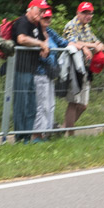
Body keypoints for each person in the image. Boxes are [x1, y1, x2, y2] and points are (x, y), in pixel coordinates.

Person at [61, 1, 104, 134]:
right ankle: (70, 133)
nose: (87, 15)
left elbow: (96, 41)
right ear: (77, 13)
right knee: (73, 101)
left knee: (83, 105)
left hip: (85, 68)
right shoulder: (71, 25)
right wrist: (87, 46)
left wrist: (99, 45)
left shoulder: (87, 27)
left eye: (90, 13)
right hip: (73, 67)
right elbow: (72, 42)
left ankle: (63, 128)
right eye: (84, 12)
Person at [11, 0, 50, 142]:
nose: (42, 13)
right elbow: (21, 39)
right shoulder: (22, 22)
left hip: (32, 68)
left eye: (44, 11)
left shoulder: (37, 25)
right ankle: (20, 137)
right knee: (21, 103)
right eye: (40, 10)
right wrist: (40, 43)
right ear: (31, 8)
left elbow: (43, 39)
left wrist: (44, 46)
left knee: (31, 104)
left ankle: (28, 135)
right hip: (21, 68)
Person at [34, 9, 66, 141]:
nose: (47, 20)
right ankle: (38, 135)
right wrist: (47, 60)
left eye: (49, 18)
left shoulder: (50, 32)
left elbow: (63, 42)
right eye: (44, 18)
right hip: (40, 72)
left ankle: (48, 132)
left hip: (51, 73)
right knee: (42, 105)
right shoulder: (35, 32)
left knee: (51, 105)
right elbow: (39, 54)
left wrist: (77, 44)